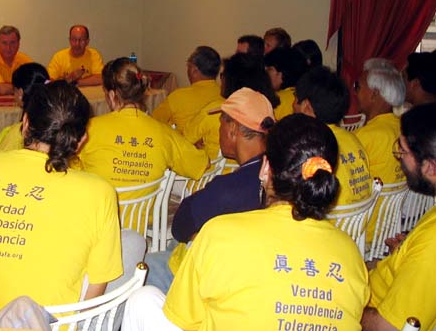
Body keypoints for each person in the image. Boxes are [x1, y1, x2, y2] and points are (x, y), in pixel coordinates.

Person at [122, 114, 369, 331]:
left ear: (265, 168)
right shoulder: (350, 253)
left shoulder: (220, 233)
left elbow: (183, 319)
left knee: (142, 300)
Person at [0, 81, 122, 331]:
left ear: (25, 123)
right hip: (39, 325)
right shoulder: (99, 191)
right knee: (130, 245)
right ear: (81, 140)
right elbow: (96, 290)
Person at [145, 88, 275, 293]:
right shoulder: (277, 176)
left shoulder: (228, 189)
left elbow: (180, 227)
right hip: (251, 274)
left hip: (214, 278)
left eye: (221, 122)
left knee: (143, 267)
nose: (219, 129)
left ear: (233, 129)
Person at [79, 58, 208, 203]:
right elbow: (200, 164)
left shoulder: (89, 129)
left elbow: (70, 171)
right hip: (144, 217)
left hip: (98, 215)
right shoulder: (163, 132)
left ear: (111, 95)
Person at [362, 103, 436, 331]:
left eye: (403, 151)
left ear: (430, 168)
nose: (399, 158)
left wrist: (344, 304)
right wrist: (405, 255)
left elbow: (387, 327)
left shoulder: (431, 245)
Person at [293, 66, 373, 207]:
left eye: (295, 99)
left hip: (329, 218)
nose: (293, 105)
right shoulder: (353, 139)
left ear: (306, 106)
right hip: (360, 219)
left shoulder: (310, 147)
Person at [183, 52, 278, 161]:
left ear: (232, 80)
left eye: (223, 75)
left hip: (210, 169)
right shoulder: (266, 111)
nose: (221, 80)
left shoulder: (219, 110)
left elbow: (184, 141)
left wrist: (197, 149)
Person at [354, 58, 406, 243]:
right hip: (390, 226)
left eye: (358, 86)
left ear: (374, 94)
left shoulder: (366, 137)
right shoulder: (403, 128)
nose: (355, 92)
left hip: (364, 229)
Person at [0, 63, 50, 153]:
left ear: (20, 93)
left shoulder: (18, 133)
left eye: (14, 90)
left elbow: (1, 159)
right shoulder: (55, 126)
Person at [152, 46, 222, 133]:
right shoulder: (225, 95)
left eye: (188, 65)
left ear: (194, 70)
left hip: (181, 141)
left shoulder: (178, 97)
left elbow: (153, 123)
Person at [0, 25, 33, 97]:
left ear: (18, 44)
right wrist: (26, 87)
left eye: (12, 43)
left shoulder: (25, 60)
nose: (8, 48)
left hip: (17, 102)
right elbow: (2, 90)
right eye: (4, 43)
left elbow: (37, 85)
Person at [264, 47, 308, 120]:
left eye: (269, 69)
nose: (265, 72)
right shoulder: (303, 95)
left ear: (281, 74)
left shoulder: (276, 100)